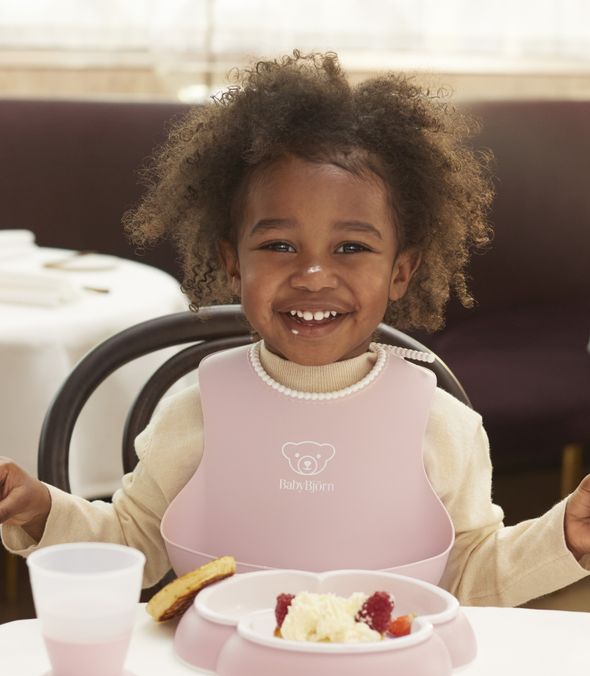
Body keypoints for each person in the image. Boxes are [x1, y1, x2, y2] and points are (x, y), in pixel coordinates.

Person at [1, 51, 590, 606]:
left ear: (401, 271)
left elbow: (468, 574)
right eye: (280, 245)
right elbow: (133, 541)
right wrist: (42, 512)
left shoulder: (441, 424)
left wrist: (563, 534)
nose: (313, 275)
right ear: (235, 264)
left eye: (351, 247)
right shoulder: (195, 410)